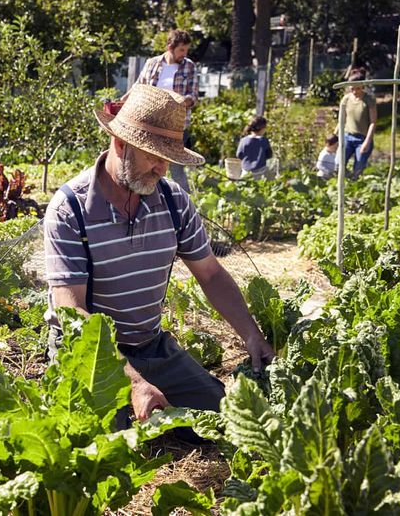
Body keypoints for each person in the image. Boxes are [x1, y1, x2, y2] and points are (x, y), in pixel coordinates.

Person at [43, 84, 275, 438]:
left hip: (150, 347)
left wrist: (251, 335)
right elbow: (72, 314)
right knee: (109, 442)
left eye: (169, 158)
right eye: (153, 156)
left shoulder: (172, 201)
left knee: (223, 420)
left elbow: (211, 275)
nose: (162, 169)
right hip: (89, 359)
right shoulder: (70, 209)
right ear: (120, 144)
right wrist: (134, 383)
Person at [121, 29, 198, 192]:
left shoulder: (189, 66)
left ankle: (184, 201)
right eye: (181, 50)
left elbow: (194, 95)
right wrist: (125, 98)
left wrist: (184, 100)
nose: (184, 53)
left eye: (186, 50)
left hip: (175, 125)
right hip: (149, 124)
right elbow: (139, 85)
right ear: (171, 47)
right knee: (148, 164)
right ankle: (149, 195)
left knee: (176, 167)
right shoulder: (152, 63)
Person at [341, 67, 377, 179]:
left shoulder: (368, 100)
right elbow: (341, 120)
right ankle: (343, 185)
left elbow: (373, 122)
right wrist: (335, 136)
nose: (355, 91)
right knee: (338, 164)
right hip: (347, 136)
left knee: (358, 169)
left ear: (363, 86)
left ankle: (354, 189)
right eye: (352, 89)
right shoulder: (346, 99)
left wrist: (367, 141)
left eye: (357, 89)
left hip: (362, 139)